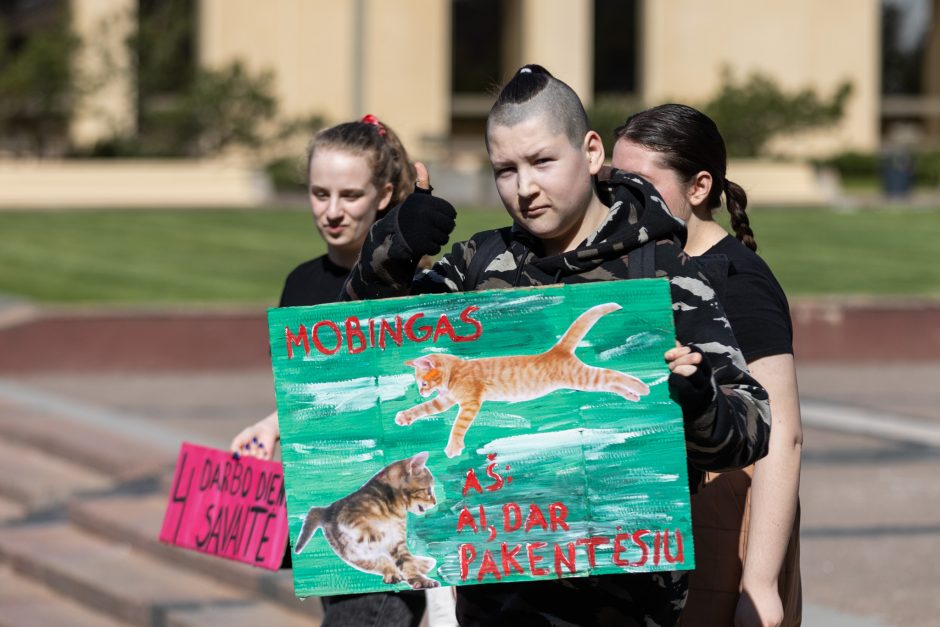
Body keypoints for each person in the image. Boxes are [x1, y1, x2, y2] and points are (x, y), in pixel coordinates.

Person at [341, 65, 772, 627]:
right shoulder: (476, 267)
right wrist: (391, 250)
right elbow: (353, 349)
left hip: (626, 601)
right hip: (498, 599)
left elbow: (754, 427)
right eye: (504, 170)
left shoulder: (664, 273)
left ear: (592, 152)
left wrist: (700, 402)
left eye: (542, 161)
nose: (524, 187)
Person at [230, 115, 439, 627]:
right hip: (333, 507)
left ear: (384, 194)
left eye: (350, 195)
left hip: (395, 523)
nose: (332, 211)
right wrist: (271, 426)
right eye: (319, 194)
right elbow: (313, 396)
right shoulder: (299, 284)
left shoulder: (416, 283)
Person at [612, 104, 802, 627]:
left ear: (699, 187)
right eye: (614, 182)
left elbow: (781, 434)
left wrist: (759, 584)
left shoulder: (737, 278)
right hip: (663, 523)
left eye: (640, 184)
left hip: (725, 520)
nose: (622, 199)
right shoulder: (637, 264)